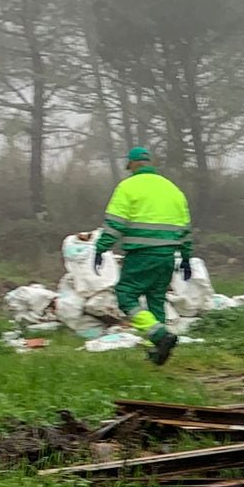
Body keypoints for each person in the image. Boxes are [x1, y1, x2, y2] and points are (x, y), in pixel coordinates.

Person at [93, 146, 194, 365]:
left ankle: (158, 335)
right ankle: (156, 352)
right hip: (167, 256)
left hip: (141, 254)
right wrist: (186, 257)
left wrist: (101, 247)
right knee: (155, 300)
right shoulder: (172, 189)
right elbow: (185, 228)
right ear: (150, 164)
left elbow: (115, 223)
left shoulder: (128, 186)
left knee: (125, 294)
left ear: (131, 165)